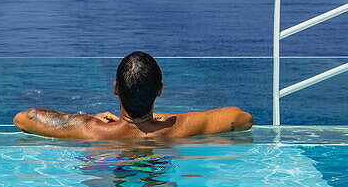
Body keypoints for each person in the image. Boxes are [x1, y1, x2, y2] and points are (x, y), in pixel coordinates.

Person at [13, 51, 253, 141]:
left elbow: (24, 118)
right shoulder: (179, 129)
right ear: (159, 90)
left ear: (116, 88)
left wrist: (87, 118)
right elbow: (242, 118)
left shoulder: (91, 130)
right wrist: (165, 119)